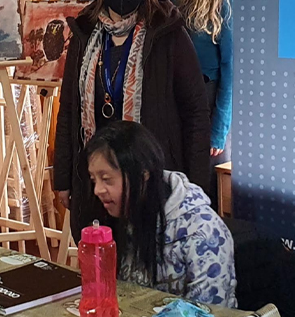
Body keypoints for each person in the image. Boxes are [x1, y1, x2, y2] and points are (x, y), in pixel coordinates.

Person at [54, 0, 211, 240]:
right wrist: (63, 177)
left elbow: (196, 112)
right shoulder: (84, 35)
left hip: (152, 177)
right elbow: (68, 109)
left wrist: (197, 182)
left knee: (148, 255)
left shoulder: (168, 33)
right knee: (101, 255)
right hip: (96, 180)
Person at [86, 121, 236, 306]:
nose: (98, 190)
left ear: (143, 174)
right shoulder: (128, 214)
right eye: (94, 180)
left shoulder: (203, 233)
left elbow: (210, 315)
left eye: (107, 179)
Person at [155, 0, 234, 172]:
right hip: (169, 99)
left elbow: (232, 64)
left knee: (204, 185)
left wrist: (219, 127)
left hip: (208, 101)